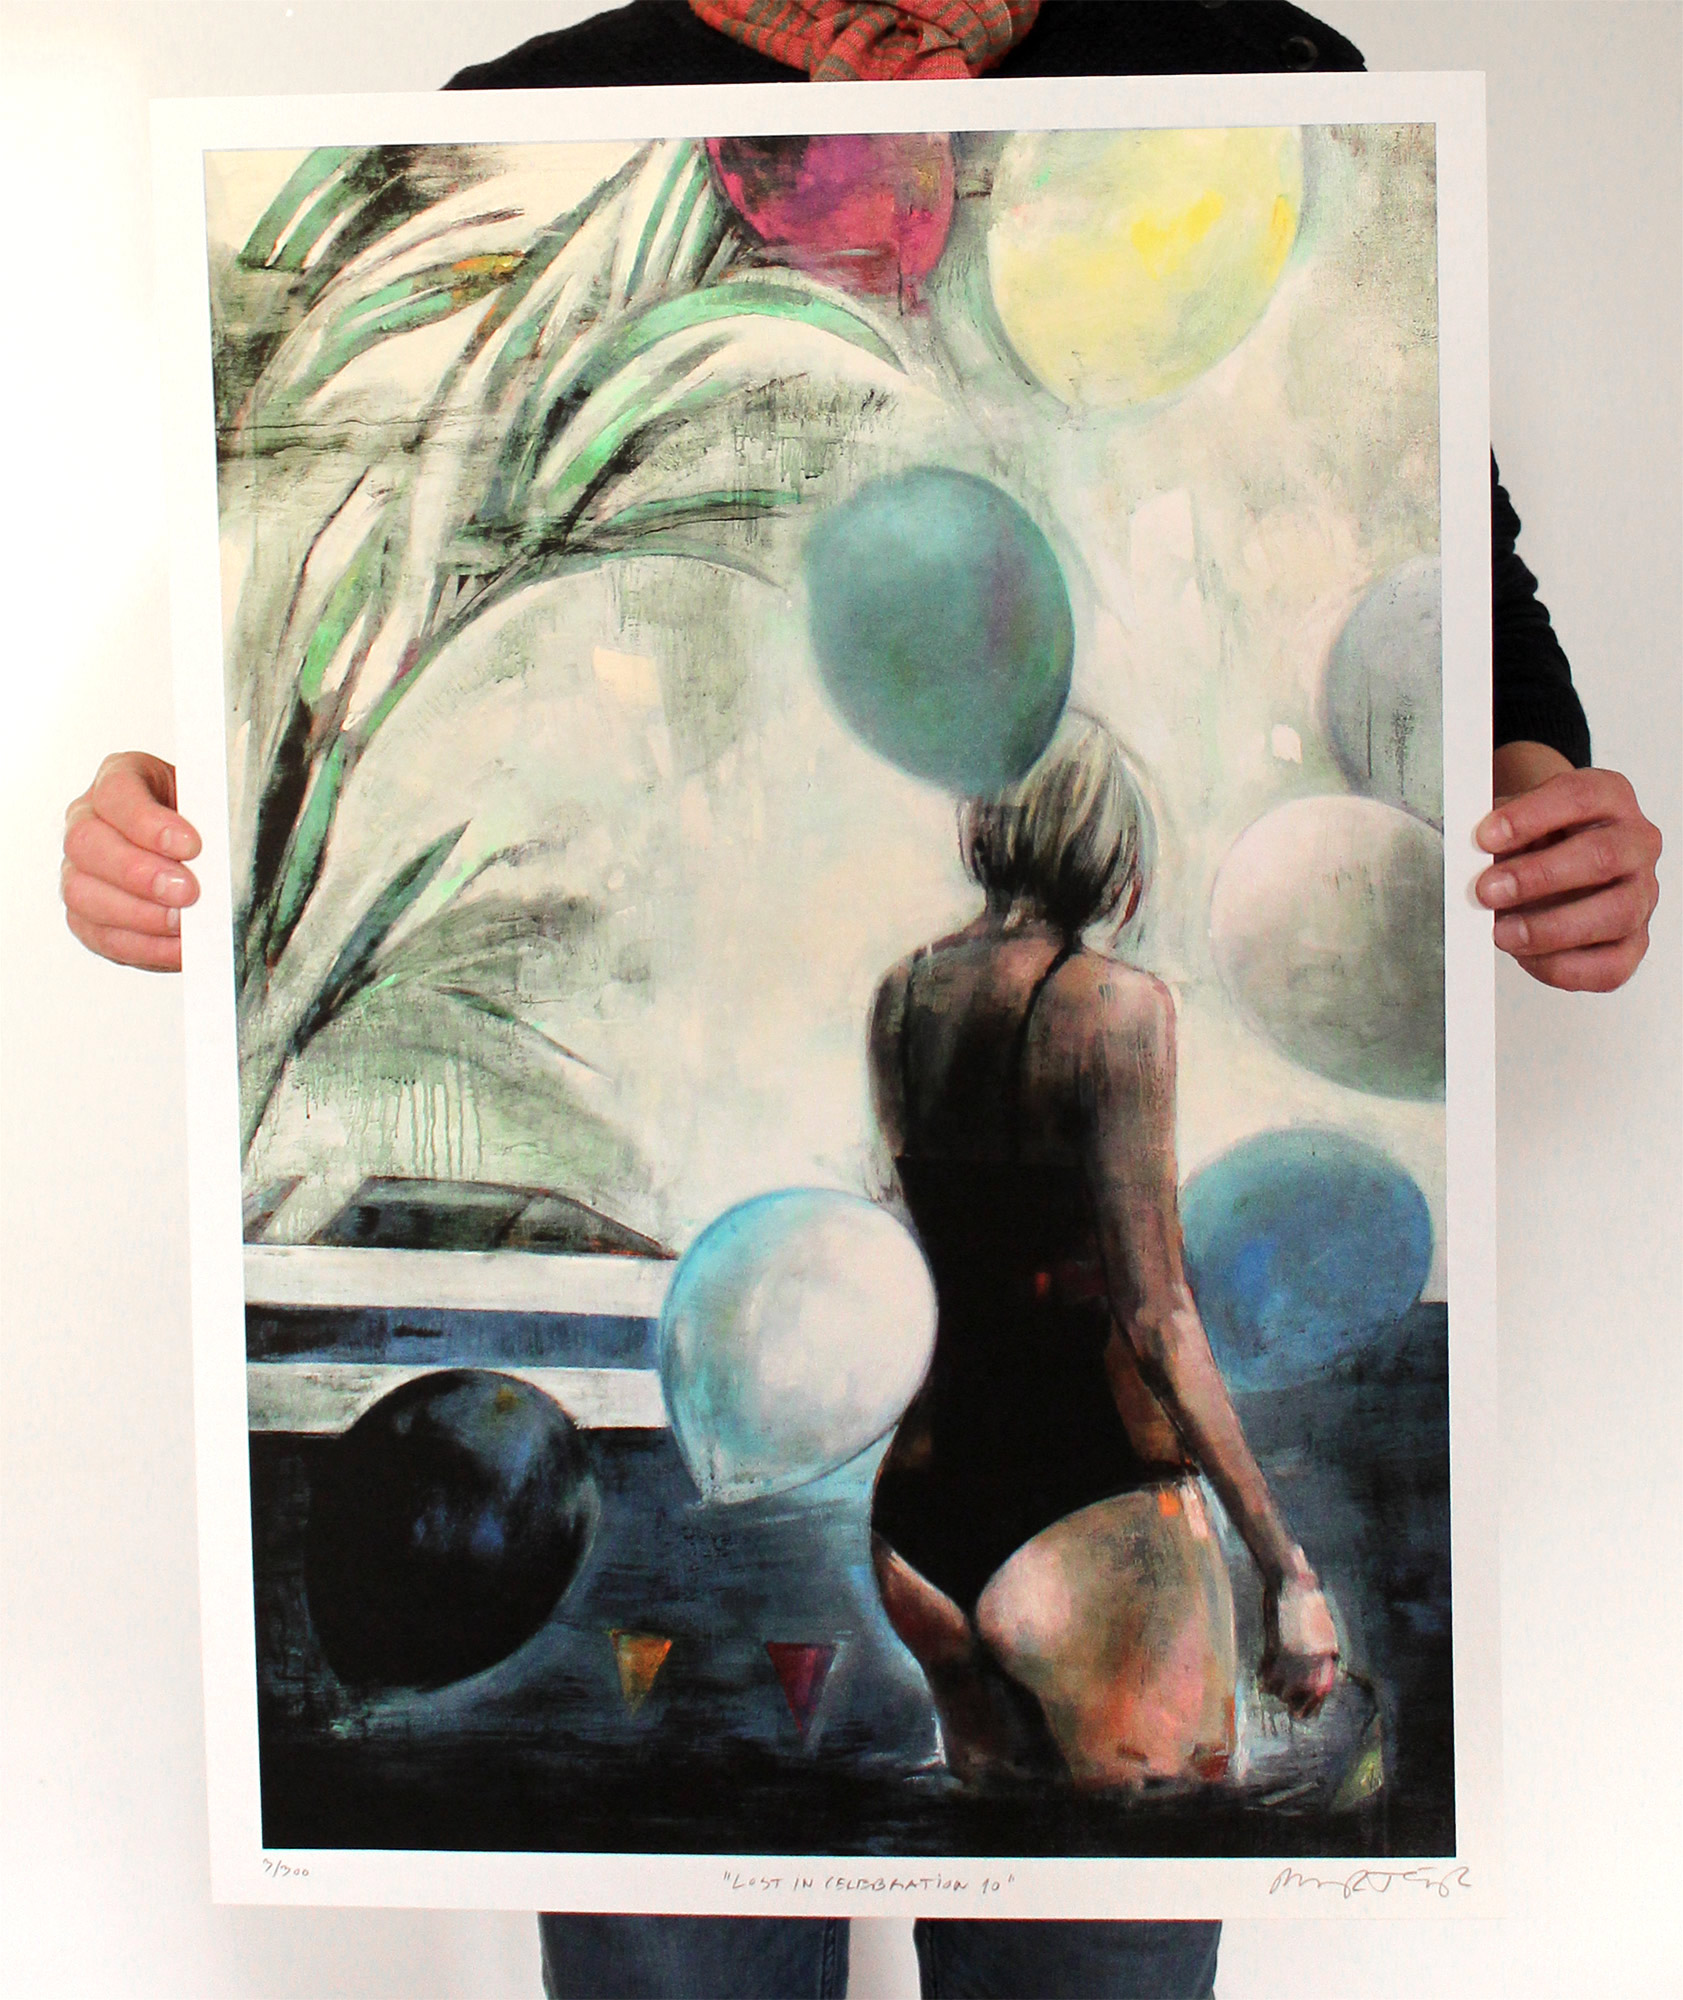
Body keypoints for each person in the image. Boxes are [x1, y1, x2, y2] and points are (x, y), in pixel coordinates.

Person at [58, 5, 1663, 1997]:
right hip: (1092, 1516)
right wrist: (166, 815)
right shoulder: (547, 132)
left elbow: (1442, 549)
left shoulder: (1242, 72)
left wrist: (1540, 791)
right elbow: (1154, 1311)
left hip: (900, 1504)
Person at [868, 717, 1336, 1791]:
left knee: (991, 1860)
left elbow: (936, 1245)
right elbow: (1157, 1313)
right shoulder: (1119, 1010)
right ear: (1108, 847)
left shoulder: (900, 999)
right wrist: (1286, 1569)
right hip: (1090, 1507)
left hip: (922, 1519)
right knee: (1154, 1870)